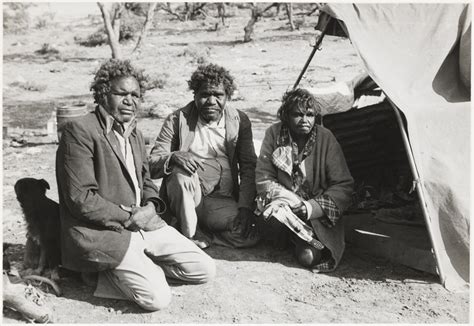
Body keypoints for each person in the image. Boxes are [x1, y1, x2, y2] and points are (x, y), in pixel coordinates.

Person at [55, 59, 215, 311]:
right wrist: (132, 216)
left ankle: (135, 266)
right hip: (103, 232)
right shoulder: (80, 131)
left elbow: (145, 181)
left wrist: (151, 207)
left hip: (142, 223)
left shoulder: (135, 133)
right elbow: (81, 199)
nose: (130, 100)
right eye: (122, 93)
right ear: (103, 93)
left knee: (204, 269)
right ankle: (100, 273)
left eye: (135, 95)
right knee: (156, 299)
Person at [149, 63, 259, 249]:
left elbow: (249, 166)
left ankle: (198, 234)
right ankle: (191, 233)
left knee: (247, 235)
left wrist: (245, 207)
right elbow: (152, 163)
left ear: (227, 97)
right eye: (205, 95)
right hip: (188, 197)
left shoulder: (239, 120)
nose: (211, 101)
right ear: (195, 95)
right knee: (181, 172)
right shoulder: (178, 119)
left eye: (218, 95)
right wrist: (174, 156)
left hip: (221, 198)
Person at [255, 88, 354, 271]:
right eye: (297, 115)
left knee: (308, 258)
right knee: (270, 221)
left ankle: (307, 241)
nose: (304, 120)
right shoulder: (274, 134)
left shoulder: (326, 138)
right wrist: (288, 200)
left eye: (309, 115)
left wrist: (311, 208)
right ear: (285, 116)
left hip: (317, 214)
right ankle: (288, 238)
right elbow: (264, 177)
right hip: (283, 206)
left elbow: (343, 185)